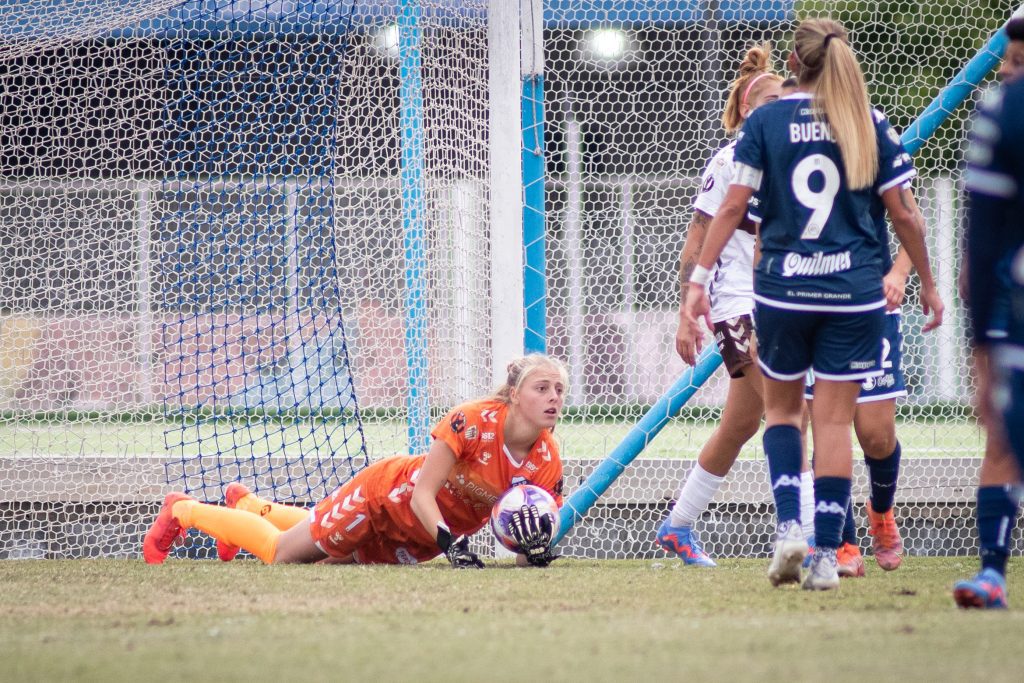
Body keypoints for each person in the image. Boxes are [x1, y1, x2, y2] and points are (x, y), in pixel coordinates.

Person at [682, 18, 943, 591]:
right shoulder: (868, 121)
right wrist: (926, 280)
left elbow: (730, 210)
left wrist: (698, 280)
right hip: (853, 295)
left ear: (793, 66)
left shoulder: (768, 121)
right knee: (831, 423)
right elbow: (904, 214)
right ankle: (827, 554)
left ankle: (790, 528)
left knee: (782, 414)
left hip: (780, 290)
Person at [143, 354, 568, 568]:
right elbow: (423, 494)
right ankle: (184, 510)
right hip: (383, 499)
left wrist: (534, 552)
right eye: (542, 388)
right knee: (283, 554)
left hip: (416, 540)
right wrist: (450, 546)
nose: (553, 398)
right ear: (515, 394)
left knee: (324, 557)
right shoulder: (471, 421)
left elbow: (523, 546)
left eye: (559, 390)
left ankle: (251, 508)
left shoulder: (547, 460)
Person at [656, 44, 784, 567]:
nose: (787, 105)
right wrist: (686, 312)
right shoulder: (731, 160)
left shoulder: (797, 158)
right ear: (750, 111)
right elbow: (695, 242)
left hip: (785, 301)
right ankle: (805, 536)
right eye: (774, 99)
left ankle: (678, 526)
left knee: (742, 423)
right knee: (789, 413)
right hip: (738, 305)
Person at [804, 185, 925, 578]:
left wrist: (900, 273)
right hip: (808, 305)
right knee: (825, 428)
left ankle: (882, 510)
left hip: (870, 303)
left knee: (875, 435)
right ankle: (842, 541)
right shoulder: (790, 137)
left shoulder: (873, 138)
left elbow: (911, 216)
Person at [954, 16, 1024, 609]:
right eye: (1006, 59)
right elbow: (980, 241)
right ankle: (992, 573)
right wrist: (981, 354)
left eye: (1018, 63)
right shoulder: (1000, 114)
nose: (1005, 71)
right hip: (1016, 307)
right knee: (1003, 435)